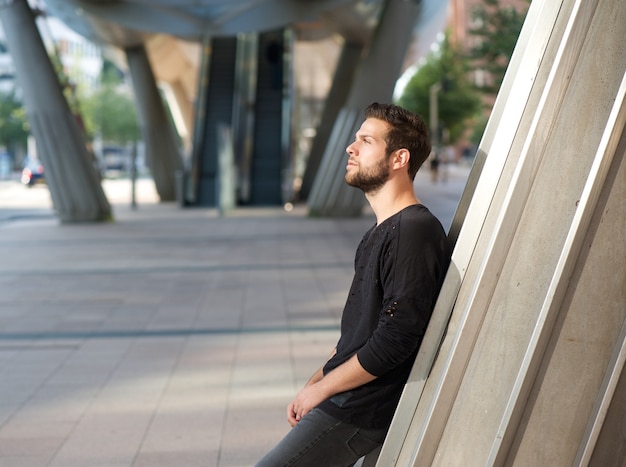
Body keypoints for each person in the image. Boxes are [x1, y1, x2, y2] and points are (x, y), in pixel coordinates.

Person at [256, 103, 451, 466]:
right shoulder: (381, 232)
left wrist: (324, 389)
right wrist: (315, 382)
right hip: (347, 400)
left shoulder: (413, 231)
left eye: (366, 140)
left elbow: (396, 338)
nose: (351, 147)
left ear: (399, 158)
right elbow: (359, 333)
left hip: (362, 410)